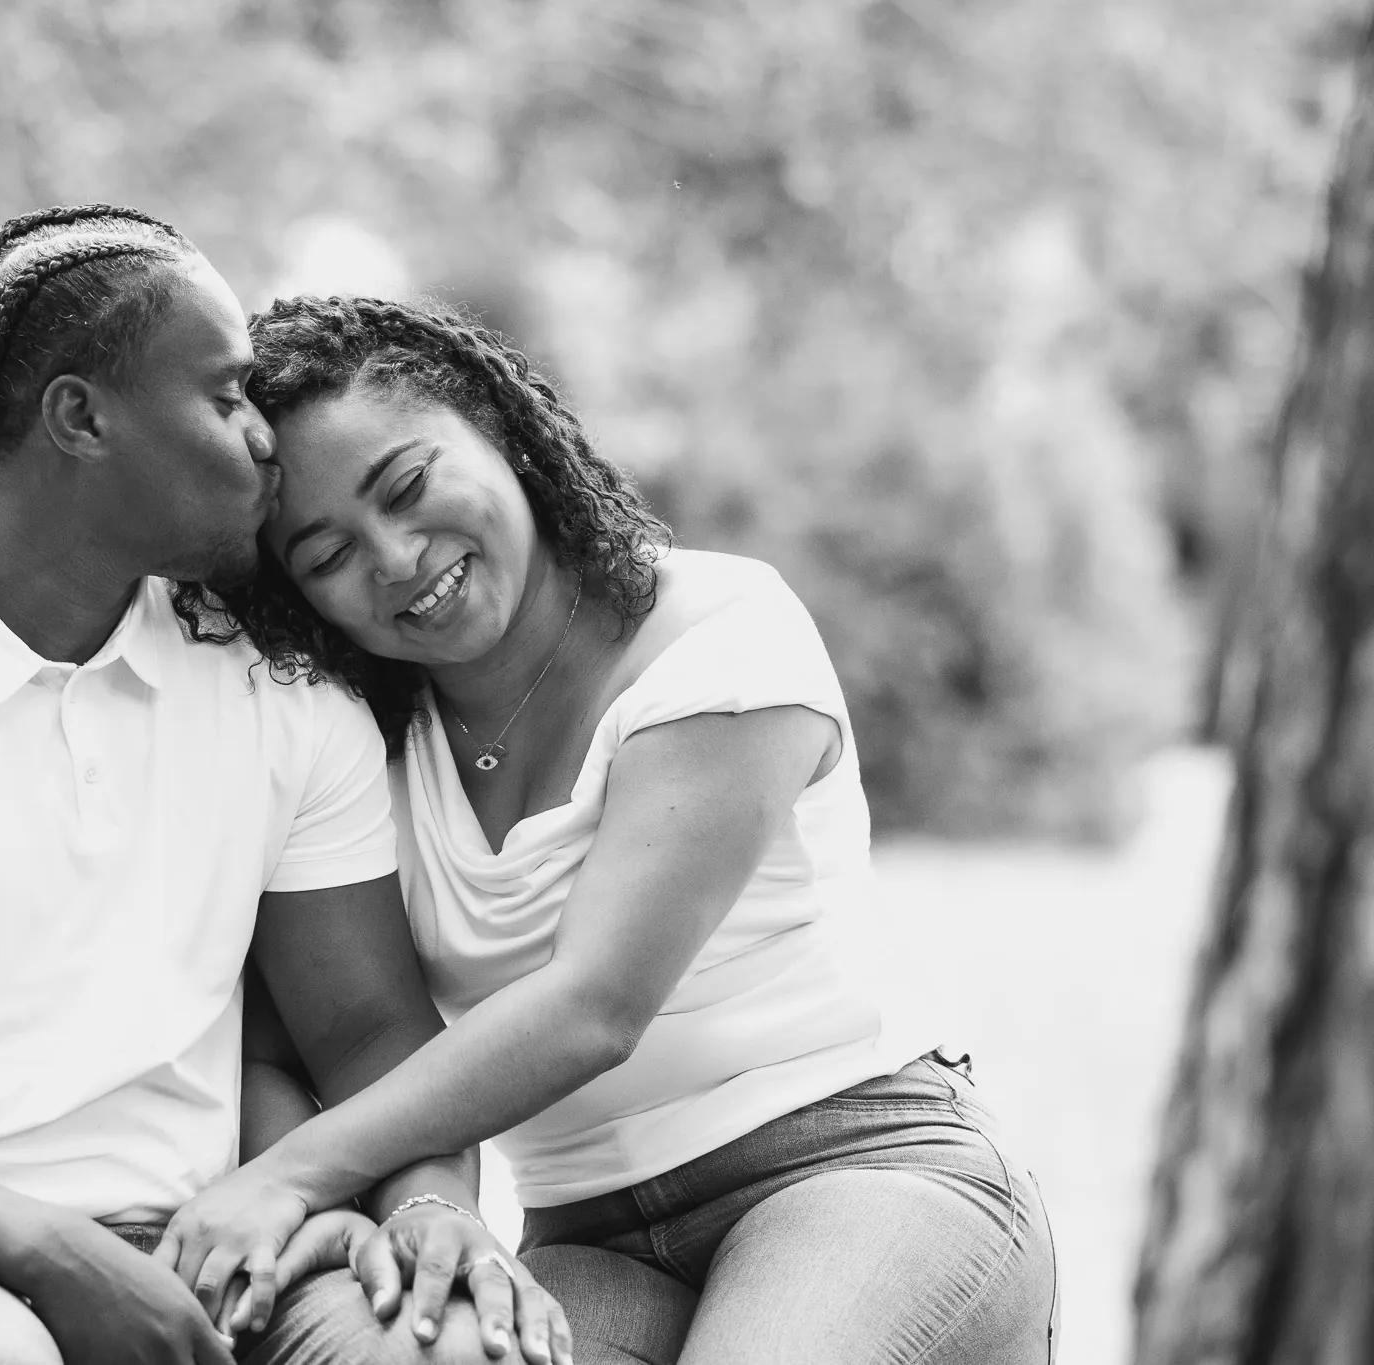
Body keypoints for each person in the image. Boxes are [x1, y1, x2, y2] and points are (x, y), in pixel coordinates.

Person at [0, 209, 570, 1365]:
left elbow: (369, 1035)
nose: (263, 439)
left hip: (212, 1255)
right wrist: (53, 1253)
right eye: (224, 397)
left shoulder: (279, 697)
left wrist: (431, 1204)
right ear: (79, 418)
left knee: (444, 1353)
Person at [159, 296, 1059, 1363]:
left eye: (406, 487)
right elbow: (289, 1041)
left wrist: (287, 1175)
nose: (394, 558)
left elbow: (593, 1007)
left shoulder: (716, 635)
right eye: (325, 554)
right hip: (585, 1237)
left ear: (498, 429)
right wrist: (402, 1206)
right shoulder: (362, 750)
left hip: (851, 1169)